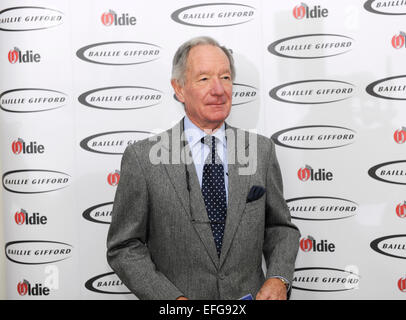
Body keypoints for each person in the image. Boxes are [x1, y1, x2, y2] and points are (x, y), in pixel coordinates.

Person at [106, 36, 300, 300]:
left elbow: (280, 228)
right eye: (204, 79)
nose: (219, 90)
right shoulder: (143, 158)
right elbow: (124, 247)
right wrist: (172, 300)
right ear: (179, 88)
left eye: (226, 77)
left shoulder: (261, 150)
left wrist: (279, 278)